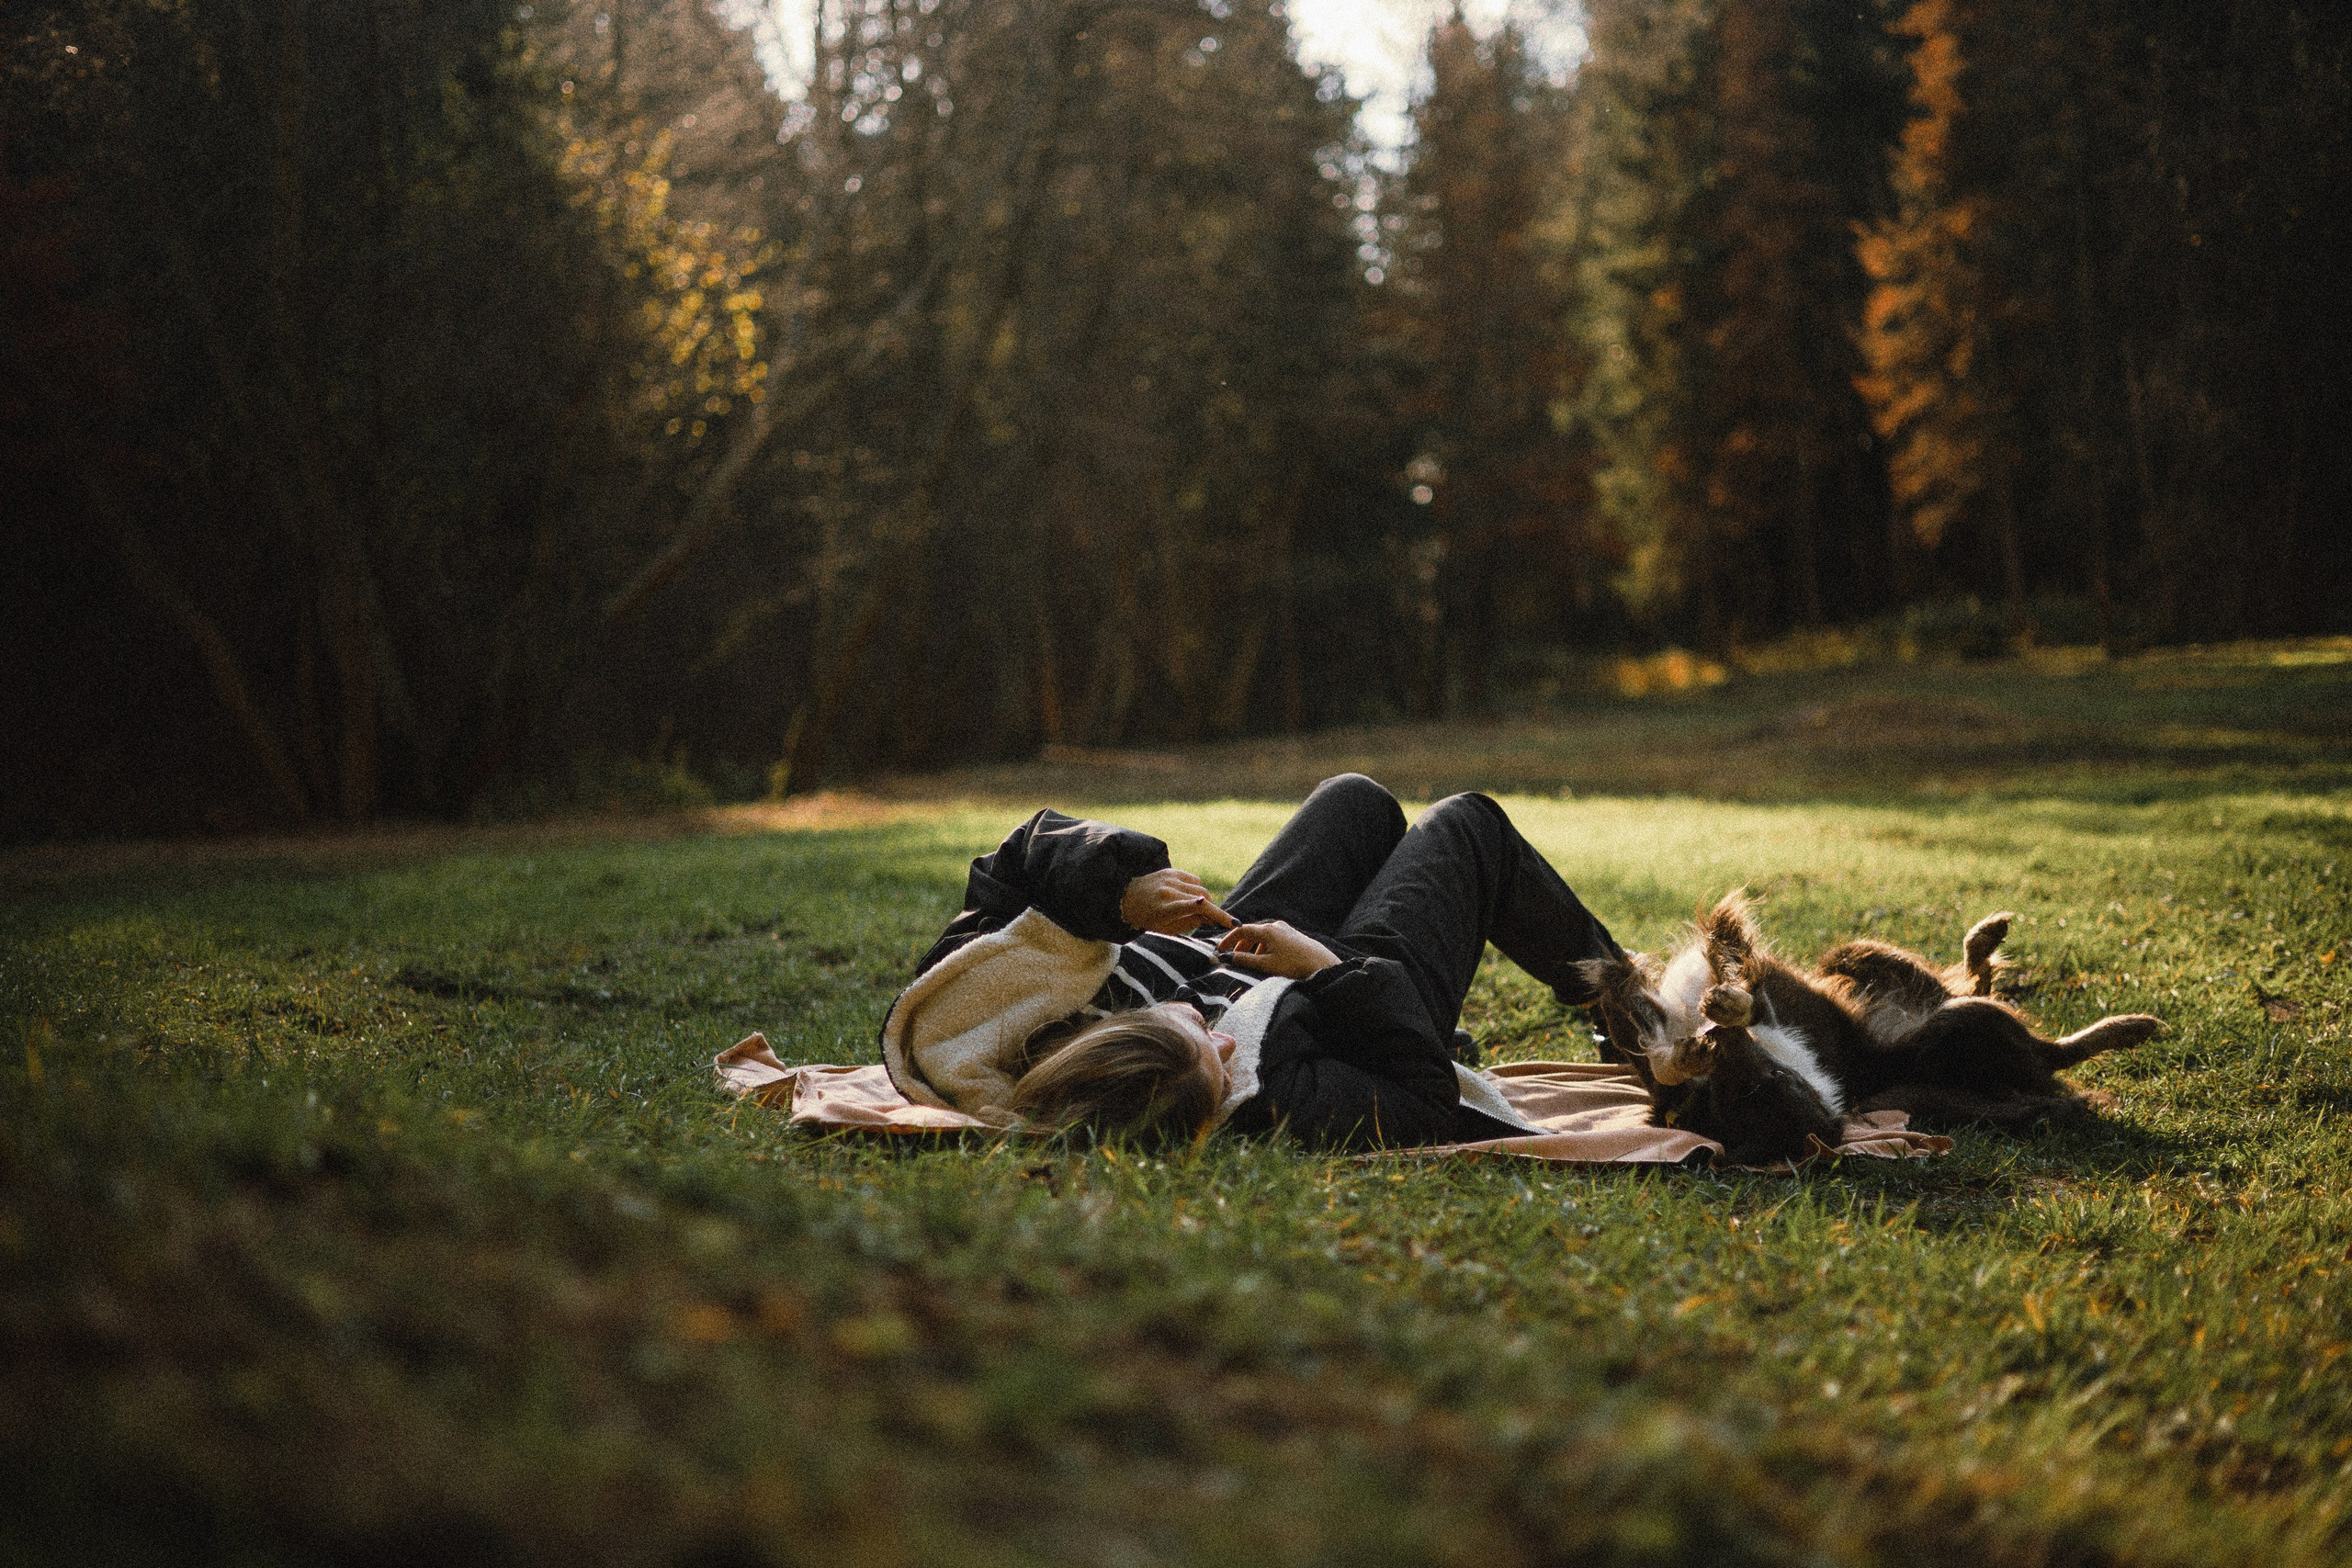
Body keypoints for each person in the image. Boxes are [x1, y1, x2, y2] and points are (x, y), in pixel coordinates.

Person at [878, 773, 1627, 1151]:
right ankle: (1634, 1009)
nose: (1226, 1049)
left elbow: (1015, 857)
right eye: (1218, 1066)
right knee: (1468, 825)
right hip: (1351, 1002)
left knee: (1355, 800)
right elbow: (1422, 1093)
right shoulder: (1271, 1094)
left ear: (1110, 1031)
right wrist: (1324, 971)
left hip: (1234, 945)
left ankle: (1629, 995)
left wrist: (1123, 890)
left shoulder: (995, 1018)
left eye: (1203, 1040)